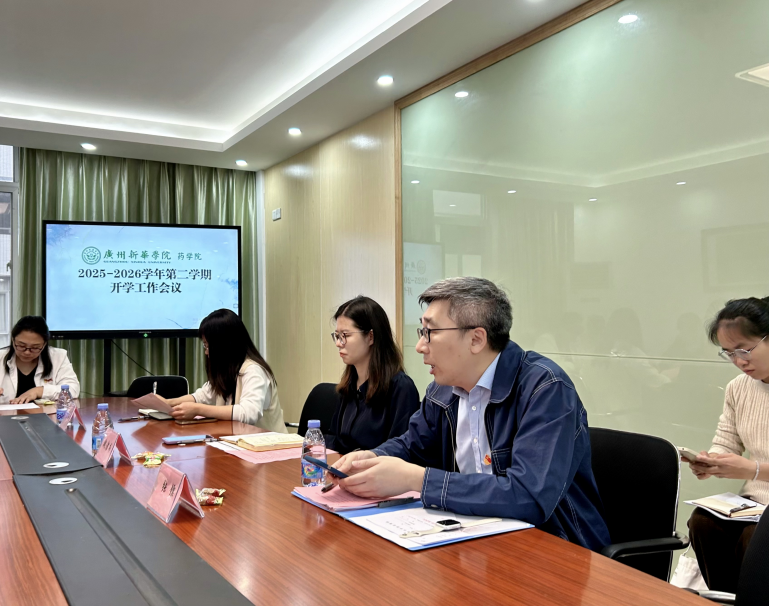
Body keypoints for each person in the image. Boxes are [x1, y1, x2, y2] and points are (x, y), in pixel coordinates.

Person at [332, 277, 610, 551]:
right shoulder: (442, 391)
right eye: (421, 331)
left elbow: (528, 497)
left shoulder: (545, 389)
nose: (420, 346)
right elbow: (411, 446)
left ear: (476, 339)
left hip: (556, 548)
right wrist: (372, 458)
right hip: (480, 540)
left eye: (430, 332)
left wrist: (417, 479)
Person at [686, 297, 769, 592]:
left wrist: (753, 470)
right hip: (753, 505)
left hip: (761, 516)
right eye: (729, 353)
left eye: (745, 350)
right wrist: (712, 462)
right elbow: (726, 442)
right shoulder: (738, 388)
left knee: (756, 537)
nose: (739, 361)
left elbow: (749, 467)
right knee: (703, 522)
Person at [164, 309, 286, 431]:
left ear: (223, 346)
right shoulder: (228, 370)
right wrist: (168, 403)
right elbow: (202, 396)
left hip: (266, 442)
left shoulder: (253, 370)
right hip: (235, 439)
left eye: (207, 346)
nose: (206, 352)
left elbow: (248, 413)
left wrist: (198, 409)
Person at [326, 296, 420, 454]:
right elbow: (334, 439)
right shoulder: (349, 384)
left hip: (376, 469)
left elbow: (400, 452)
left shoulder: (401, 388)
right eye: (337, 335)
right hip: (343, 467)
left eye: (345, 335)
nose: (338, 343)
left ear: (370, 337)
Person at [0, 316, 80, 403]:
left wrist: (39, 391)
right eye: (21, 346)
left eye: (35, 347)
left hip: (47, 412)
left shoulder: (58, 357)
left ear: (44, 344)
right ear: (13, 340)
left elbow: (73, 389)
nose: (27, 352)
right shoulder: (1, 357)